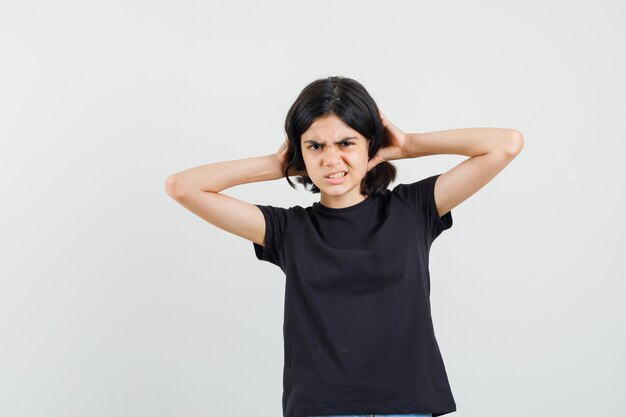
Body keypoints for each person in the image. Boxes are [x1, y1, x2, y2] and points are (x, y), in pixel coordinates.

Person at [165, 76, 524, 417]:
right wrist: (277, 164)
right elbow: (183, 186)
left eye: (346, 142)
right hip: (322, 408)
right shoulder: (287, 229)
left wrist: (411, 145)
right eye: (315, 145)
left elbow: (506, 144)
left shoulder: (413, 209)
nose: (331, 159)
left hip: (407, 404)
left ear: (371, 143)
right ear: (299, 151)